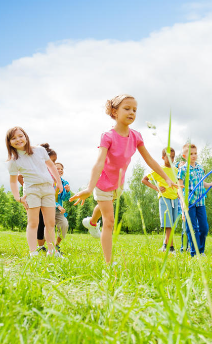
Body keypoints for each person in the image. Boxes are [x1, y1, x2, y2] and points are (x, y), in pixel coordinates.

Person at [70, 94, 175, 263]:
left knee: (106, 206)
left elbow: (149, 160)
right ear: (114, 111)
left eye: (134, 109)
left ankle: (91, 221)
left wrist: (167, 179)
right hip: (103, 181)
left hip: (118, 183)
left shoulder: (136, 136)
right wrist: (89, 188)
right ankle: (108, 263)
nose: (131, 112)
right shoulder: (108, 136)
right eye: (127, 108)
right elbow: (99, 163)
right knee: (109, 220)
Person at [6, 127, 63, 258]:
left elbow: (51, 166)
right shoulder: (13, 161)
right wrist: (17, 197)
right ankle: (33, 252)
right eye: (13, 138)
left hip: (48, 188)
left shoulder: (40, 150)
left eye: (20, 136)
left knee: (50, 222)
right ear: (9, 143)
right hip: (31, 191)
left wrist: (58, 183)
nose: (18, 140)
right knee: (33, 222)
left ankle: (52, 251)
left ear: (25, 136)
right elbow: (13, 181)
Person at [177, 143, 212, 257]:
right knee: (192, 228)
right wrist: (183, 204)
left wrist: (210, 184)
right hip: (189, 203)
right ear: (184, 156)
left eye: (195, 153)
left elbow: (202, 183)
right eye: (191, 154)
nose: (194, 156)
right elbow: (179, 188)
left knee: (204, 228)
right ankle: (195, 253)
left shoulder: (200, 168)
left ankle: (201, 250)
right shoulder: (183, 169)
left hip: (200, 202)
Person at [141, 147, 179, 253]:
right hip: (164, 198)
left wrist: (179, 193)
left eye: (173, 157)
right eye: (168, 157)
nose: (171, 159)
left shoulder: (176, 170)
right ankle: (171, 249)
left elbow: (178, 184)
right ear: (163, 158)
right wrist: (156, 188)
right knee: (168, 224)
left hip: (175, 199)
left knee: (172, 225)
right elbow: (144, 180)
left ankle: (164, 246)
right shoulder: (159, 170)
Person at [54, 162, 71, 251]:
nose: (60, 170)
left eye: (61, 169)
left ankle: (56, 245)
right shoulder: (49, 181)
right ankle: (44, 246)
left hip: (59, 210)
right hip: (47, 208)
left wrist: (68, 191)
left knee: (64, 225)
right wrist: (58, 206)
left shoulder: (64, 182)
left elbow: (65, 198)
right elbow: (48, 197)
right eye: (57, 168)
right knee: (47, 227)